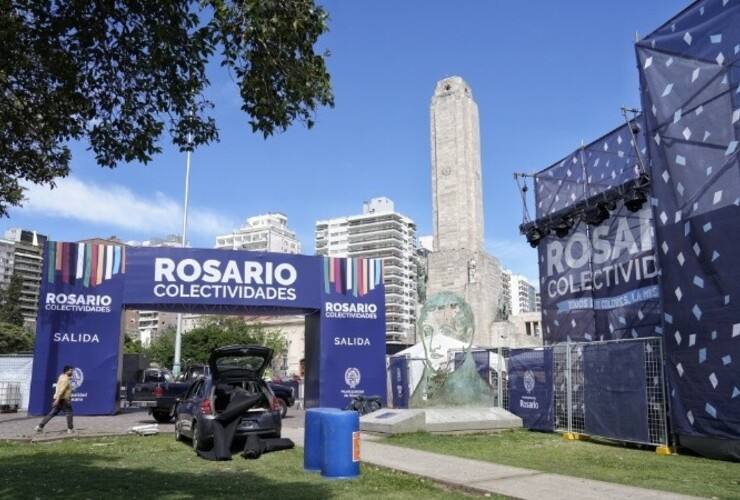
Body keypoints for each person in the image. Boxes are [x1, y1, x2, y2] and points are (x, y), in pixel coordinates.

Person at [35, 365, 75, 434]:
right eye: (71, 370)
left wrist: (68, 395)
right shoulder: (65, 379)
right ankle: (70, 429)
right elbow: (61, 390)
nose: (72, 372)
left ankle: (39, 427)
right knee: (69, 413)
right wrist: (57, 400)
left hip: (60, 399)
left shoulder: (62, 377)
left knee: (52, 413)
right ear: (66, 371)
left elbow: (62, 389)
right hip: (63, 399)